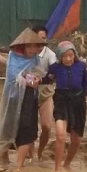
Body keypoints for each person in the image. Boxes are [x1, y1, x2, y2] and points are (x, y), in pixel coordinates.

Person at [0, 28, 45, 170]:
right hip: (13, 96)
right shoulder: (14, 56)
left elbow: (39, 72)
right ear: (22, 46)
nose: (32, 49)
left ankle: (29, 157)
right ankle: (3, 153)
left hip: (29, 96)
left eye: (34, 46)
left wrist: (36, 79)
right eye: (28, 46)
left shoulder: (35, 58)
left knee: (28, 126)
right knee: (8, 124)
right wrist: (29, 79)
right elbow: (13, 75)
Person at [41, 41, 87, 171]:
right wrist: (37, 80)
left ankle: (67, 164)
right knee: (60, 135)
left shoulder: (81, 66)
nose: (68, 59)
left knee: (76, 140)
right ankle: (57, 169)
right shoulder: (55, 67)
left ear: (75, 55)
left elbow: (85, 84)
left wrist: (84, 98)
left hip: (78, 103)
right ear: (59, 57)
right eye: (64, 56)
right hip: (61, 100)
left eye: (70, 55)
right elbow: (48, 79)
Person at [32, 25, 57, 160]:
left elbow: (53, 72)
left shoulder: (50, 55)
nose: (41, 41)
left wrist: (44, 79)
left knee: (47, 126)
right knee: (28, 128)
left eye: (44, 38)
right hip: (28, 93)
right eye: (39, 38)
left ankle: (39, 152)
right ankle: (29, 154)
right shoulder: (26, 52)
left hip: (45, 93)